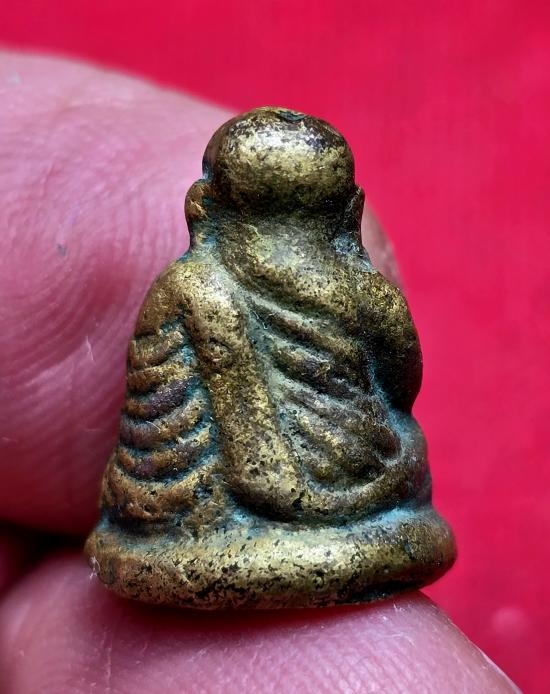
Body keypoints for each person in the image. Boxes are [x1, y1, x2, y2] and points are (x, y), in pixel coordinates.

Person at [0, 52, 518, 692]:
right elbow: (396, 383)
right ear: (350, 210)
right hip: (226, 509)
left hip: (240, 514)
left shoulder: (201, 286)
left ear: (204, 205)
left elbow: (398, 388)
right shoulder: (343, 292)